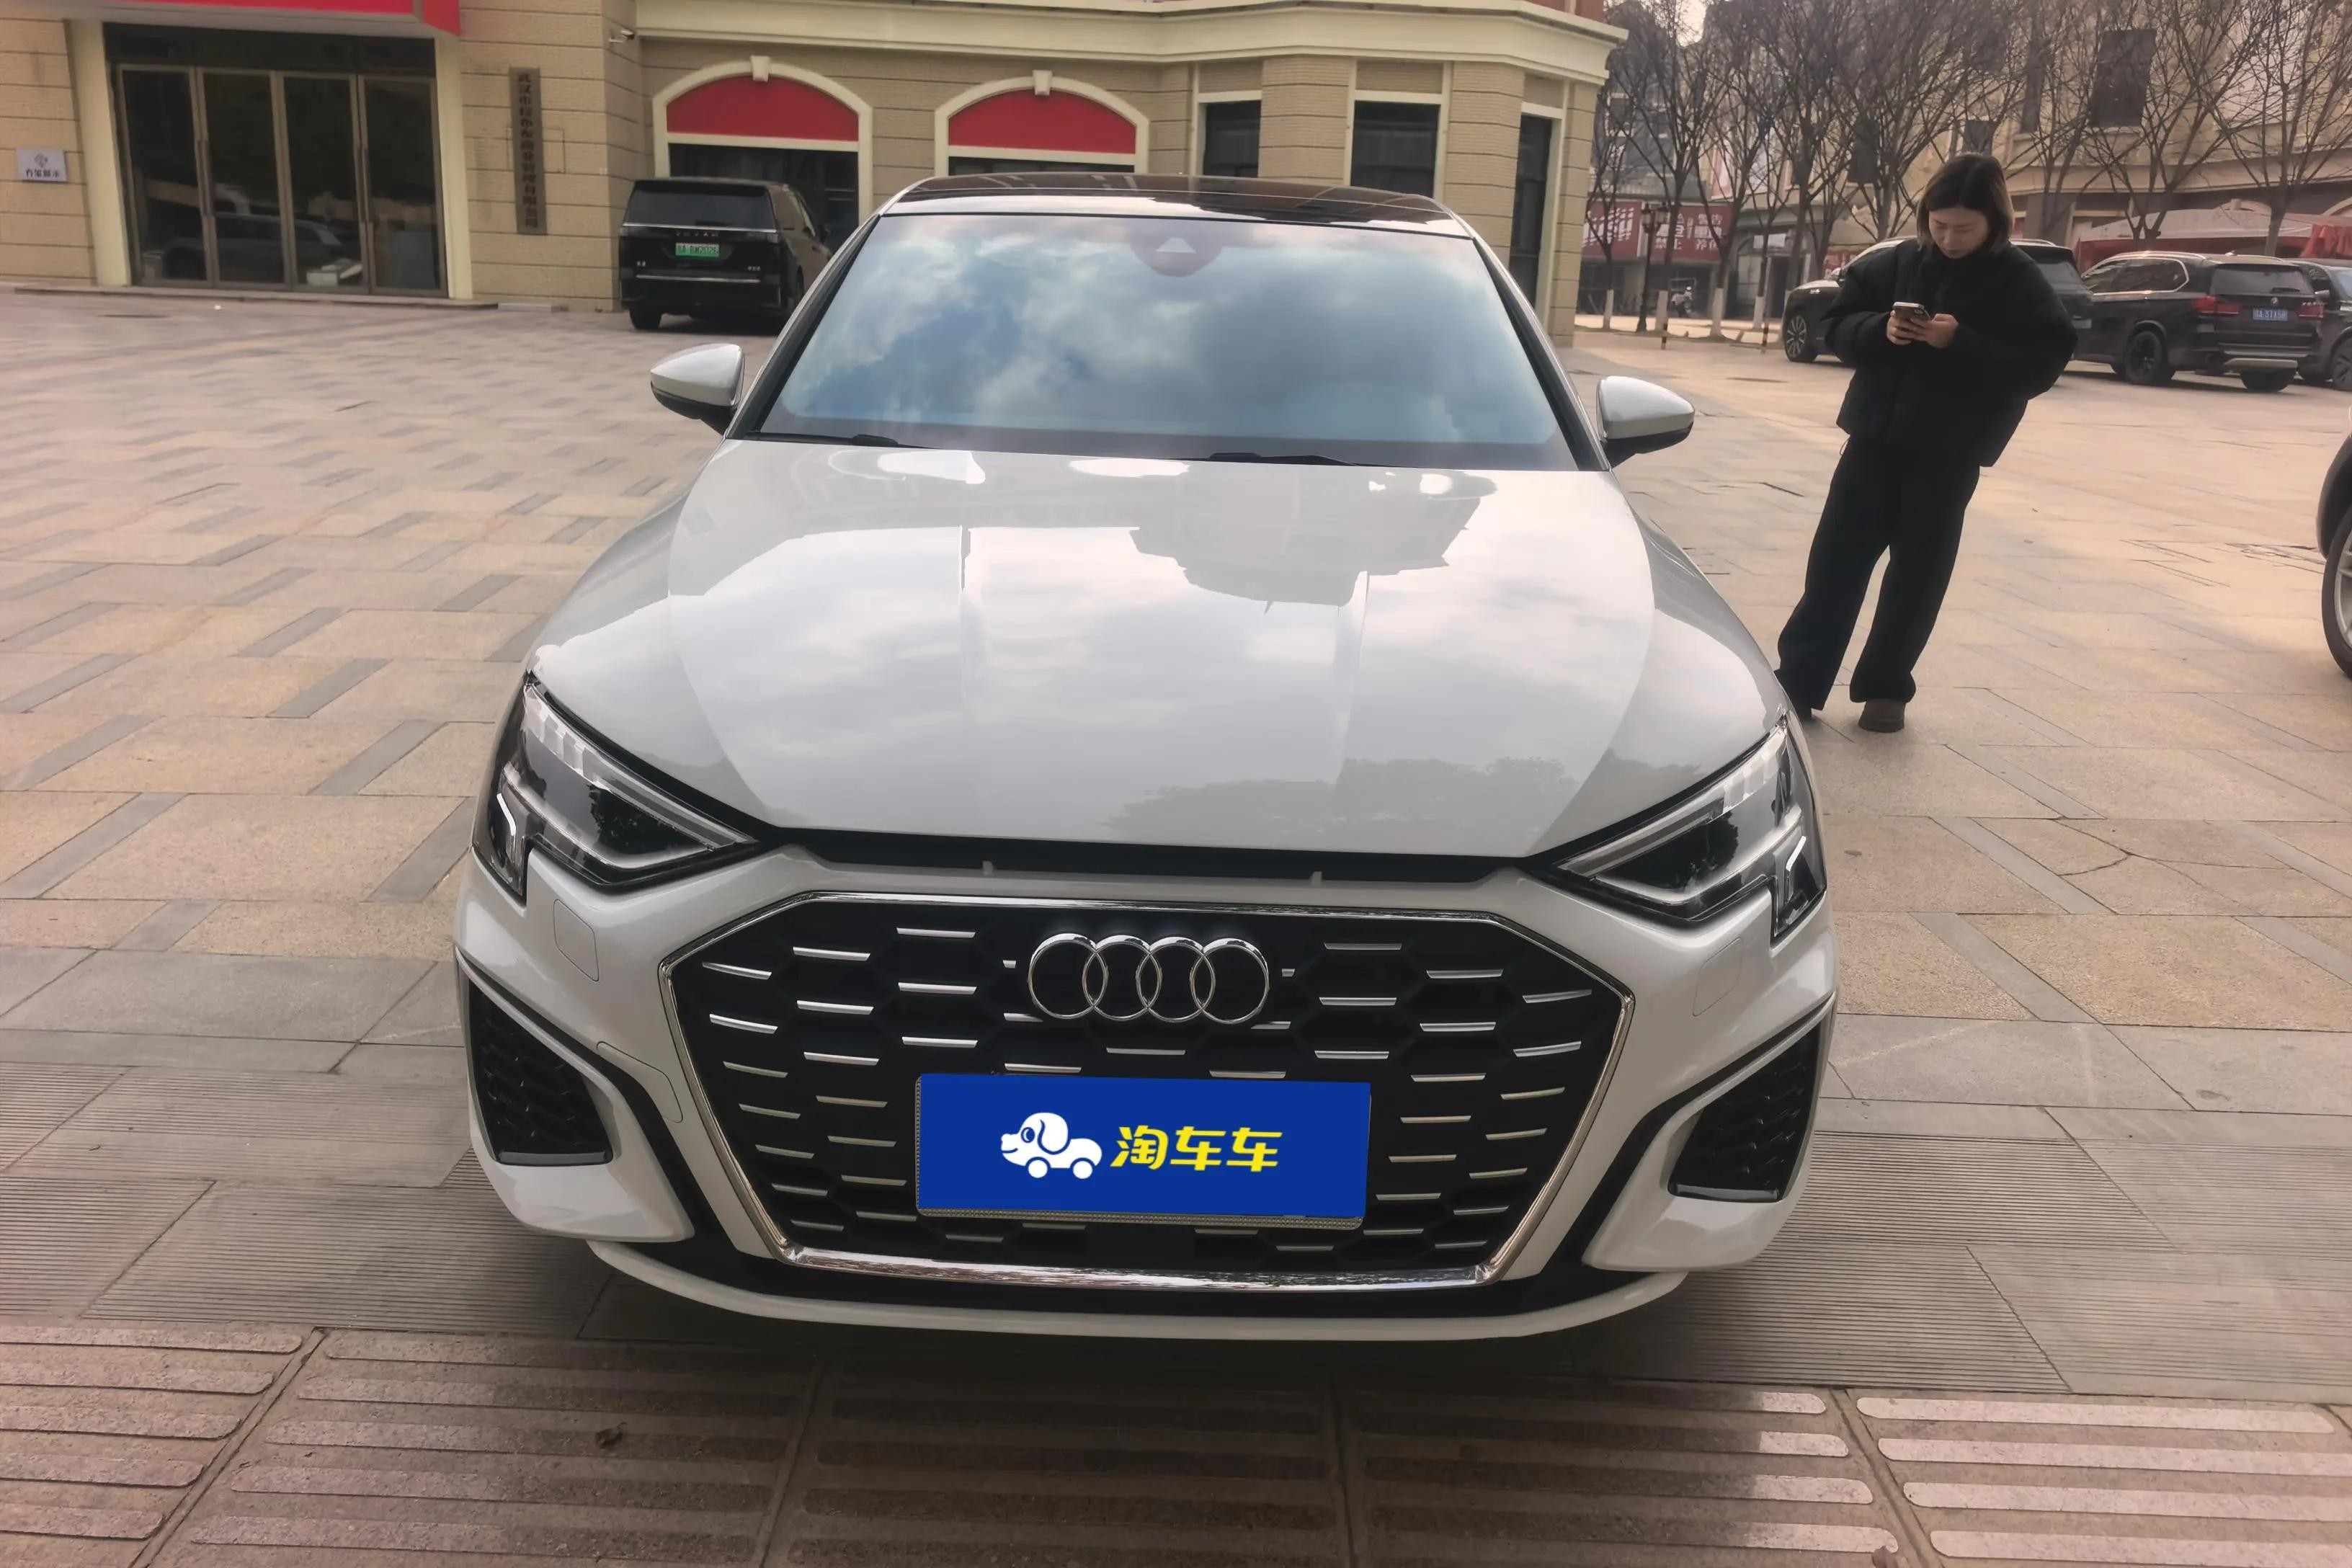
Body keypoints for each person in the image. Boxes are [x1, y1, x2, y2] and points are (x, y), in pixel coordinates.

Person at [1773, 153, 2076, 733]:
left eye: (1965, 228)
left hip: (1950, 453)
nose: (1950, 239)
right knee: (1835, 563)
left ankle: (1887, 689)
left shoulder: (2019, 281)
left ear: (1995, 222)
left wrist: (1959, 342)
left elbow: (2041, 363)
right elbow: (1837, 325)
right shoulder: (1895, 263)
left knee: (1918, 574)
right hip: (1873, 440)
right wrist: (1881, 331)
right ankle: (1800, 680)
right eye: (1939, 225)